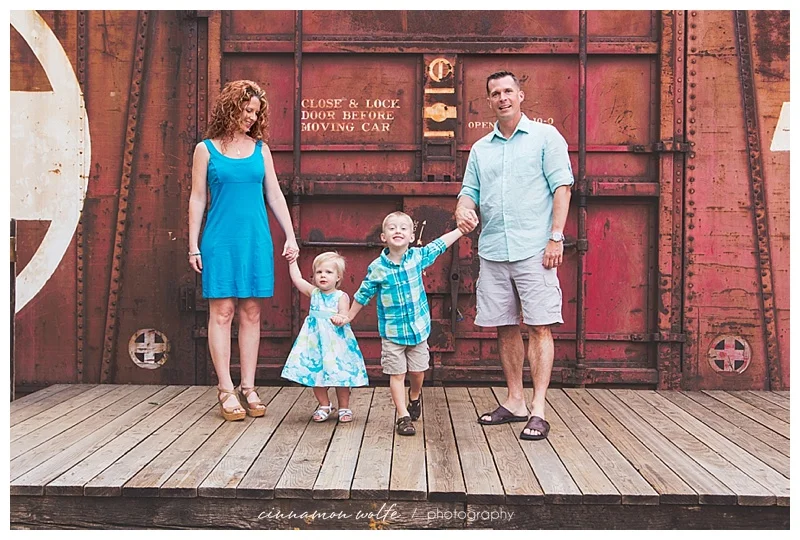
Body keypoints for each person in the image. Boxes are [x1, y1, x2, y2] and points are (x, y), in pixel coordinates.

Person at [456, 70, 573, 441]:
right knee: (504, 326)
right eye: (495, 93)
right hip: (493, 250)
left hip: (535, 249)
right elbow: (469, 192)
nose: (502, 98)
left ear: (520, 96)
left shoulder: (545, 137)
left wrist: (556, 238)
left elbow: (563, 188)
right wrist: (462, 208)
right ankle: (515, 401)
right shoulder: (481, 149)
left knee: (539, 325)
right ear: (489, 100)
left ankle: (538, 409)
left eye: (508, 91)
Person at [189, 79, 299, 421]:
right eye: (246, 109)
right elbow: (197, 198)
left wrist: (290, 235)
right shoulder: (205, 150)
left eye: (256, 112)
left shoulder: (261, 150)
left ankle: (249, 386)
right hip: (220, 241)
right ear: (230, 107)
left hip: (256, 239)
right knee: (222, 312)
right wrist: (193, 245)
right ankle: (226, 389)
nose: (251, 117)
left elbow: (275, 195)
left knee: (251, 312)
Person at [333, 212, 471, 436]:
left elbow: (438, 245)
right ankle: (402, 416)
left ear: (411, 237)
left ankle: (414, 396)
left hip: (418, 330)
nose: (398, 231)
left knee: (418, 371)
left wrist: (460, 230)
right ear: (383, 237)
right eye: (392, 228)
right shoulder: (378, 268)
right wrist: (348, 316)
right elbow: (363, 294)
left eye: (403, 228)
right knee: (397, 375)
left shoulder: (417, 257)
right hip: (392, 333)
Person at [282, 252, 369, 423]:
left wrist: (340, 318)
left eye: (328, 272)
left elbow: (345, 313)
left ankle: (344, 407)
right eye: (319, 272)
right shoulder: (314, 293)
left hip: (336, 343)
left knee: (340, 375)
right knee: (316, 374)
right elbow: (297, 279)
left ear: (338, 277)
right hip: (315, 343)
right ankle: (324, 405)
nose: (323, 275)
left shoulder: (341, 296)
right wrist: (292, 262)